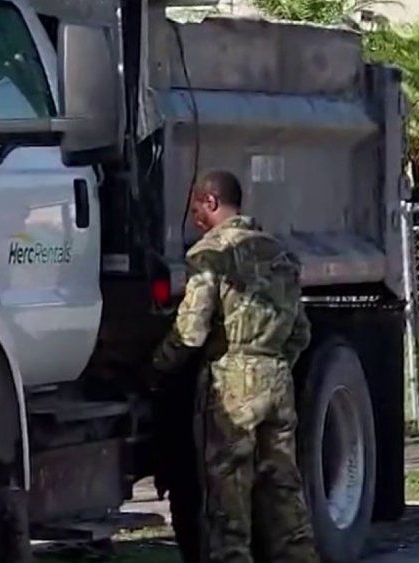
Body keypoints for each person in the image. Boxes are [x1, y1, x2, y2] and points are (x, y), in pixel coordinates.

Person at [151, 170, 319, 563]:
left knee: (228, 505)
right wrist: (272, 363)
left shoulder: (210, 255)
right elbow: (301, 332)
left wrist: (158, 365)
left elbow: (191, 332)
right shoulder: (280, 255)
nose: (195, 218)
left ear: (211, 202)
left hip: (231, 390)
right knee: (284, 494)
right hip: (277, 382)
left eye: (196, 209)